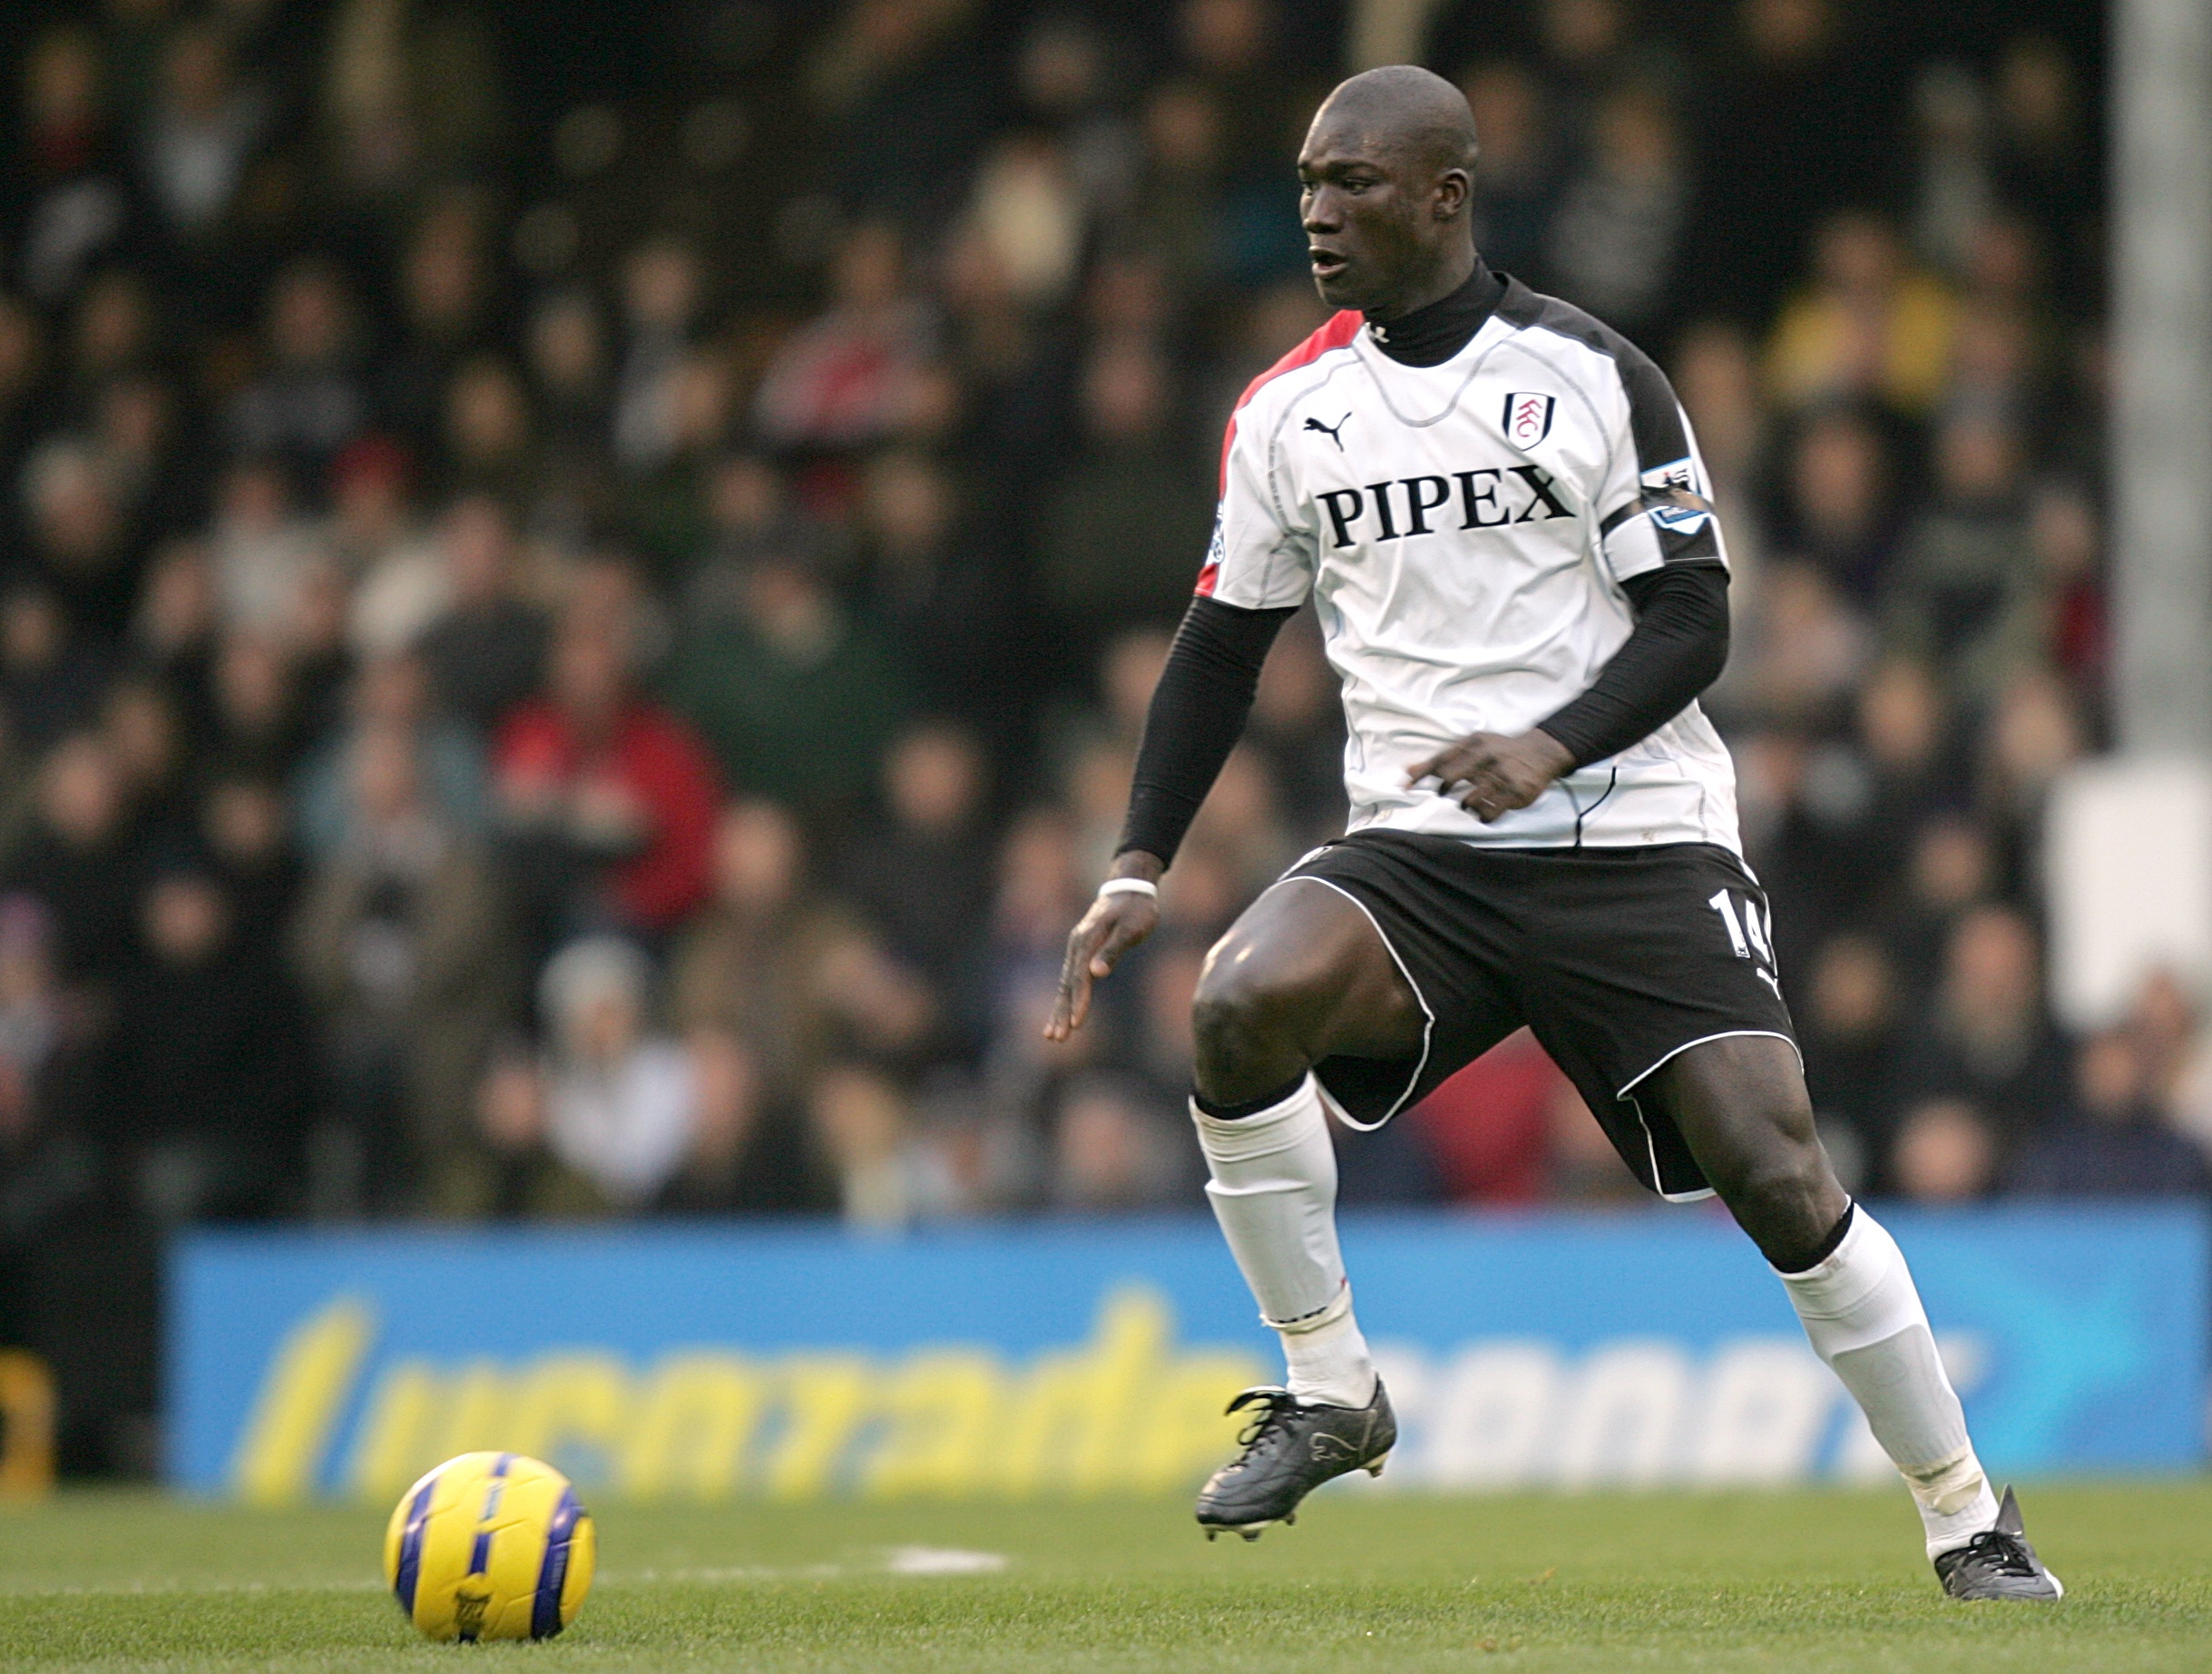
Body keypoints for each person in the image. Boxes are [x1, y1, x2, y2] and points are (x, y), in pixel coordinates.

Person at [1046, 65, 2058, 1601]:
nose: (1317, 212)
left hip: (1634, 830)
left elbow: (1695, 617)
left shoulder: (1591, 376)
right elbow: (1215, 650)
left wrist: (1551, 741)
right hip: (1421, 852)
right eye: (1309, 183)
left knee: (1775, 1166)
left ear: (1446, 194)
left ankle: (1964, 1512)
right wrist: (1135, 862)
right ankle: (1330, 1388)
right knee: (1238, 1003)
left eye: (1355, 183)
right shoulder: (1284, 410)